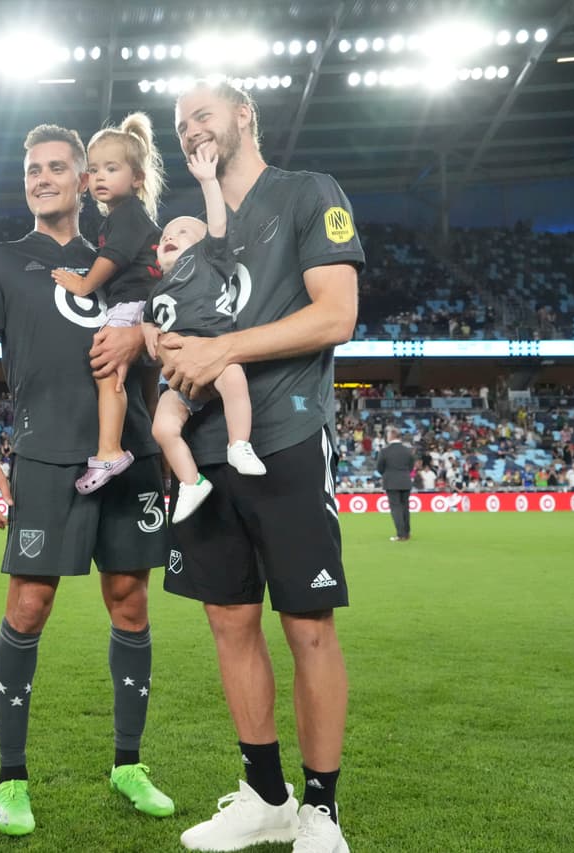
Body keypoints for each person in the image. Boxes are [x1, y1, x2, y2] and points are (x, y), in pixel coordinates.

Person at [156, 80, 362, 853]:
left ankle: (321, 808)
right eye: (180, 124)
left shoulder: (308, 192)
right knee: (229, 620)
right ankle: (264, 793)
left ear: (244, 116)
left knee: (307, 624)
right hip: (204, 449)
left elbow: (335, 313)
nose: (190, 130)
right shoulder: (196, 229)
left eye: (202, 114)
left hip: (285, 433)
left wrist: (225, 349)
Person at [0, 124, 175, 837]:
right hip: (45, 453)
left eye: (58, 167)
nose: (43, 177)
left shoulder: (123, 252)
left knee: (131, 600)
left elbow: (175, 333)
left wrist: (140, 336)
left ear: (85, 179)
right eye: (33, 169)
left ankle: (127, 762)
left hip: (130, 454)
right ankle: (12, 776)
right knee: (28, 604)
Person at [142, 144, 267, 524]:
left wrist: (208, 182)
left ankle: (239, 444)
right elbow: (150, 320)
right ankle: (190, 481)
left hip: (217, 351)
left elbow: (216, 225)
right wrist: (148, 331)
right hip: (180, 375)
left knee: (234, 379)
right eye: (166, 233)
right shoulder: (157, 291)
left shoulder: (206, 259)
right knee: (162, 426)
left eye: (183, 231)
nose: (171, 235)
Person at [48, 112, 165, 494]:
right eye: (94, 169)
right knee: (124, 378)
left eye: (111, 169)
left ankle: (110, 450)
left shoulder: (127, 214)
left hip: (132, 304)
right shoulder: (124, 214)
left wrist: (83, 285)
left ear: (137, 178)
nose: (99, 177)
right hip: (139, 305)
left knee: (106, 369)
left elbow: (113, 257)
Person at [376, 426, 414, 541]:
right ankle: (406, 533)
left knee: (396, 508)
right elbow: (411, 466)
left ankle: (400, 534)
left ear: (391, 436)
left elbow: (380, 467)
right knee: (405, 507)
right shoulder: (407, 450)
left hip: (391, 481)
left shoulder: (385, 451)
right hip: (405, 481)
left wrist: (387, 474)